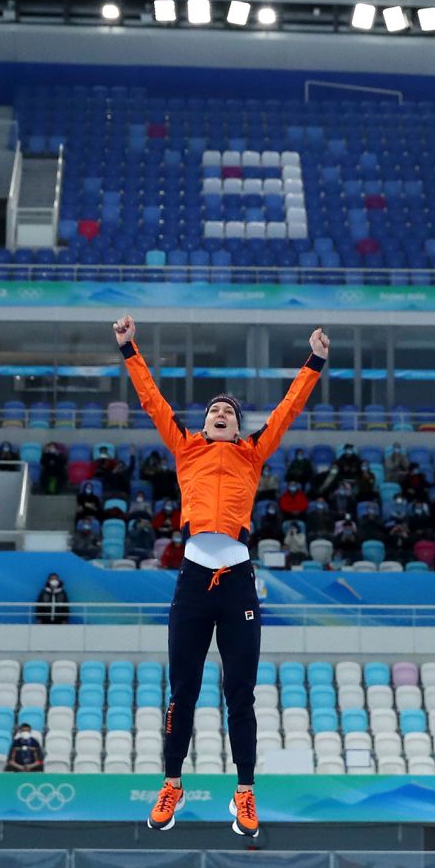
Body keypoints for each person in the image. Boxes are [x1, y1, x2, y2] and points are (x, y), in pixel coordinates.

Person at [116, 313, 327, 839]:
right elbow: (151, 400)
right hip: (192, 581)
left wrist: (315, 360)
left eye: (228, 412)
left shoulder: (253, 455)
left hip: (236, 583)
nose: (219, 413)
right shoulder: (186, 448)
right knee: (181, 690)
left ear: (237, 427)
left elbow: (288, 409)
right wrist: (128, 348)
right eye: (213, 409)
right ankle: (171, 784)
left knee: (241, 693)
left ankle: (246, 793)